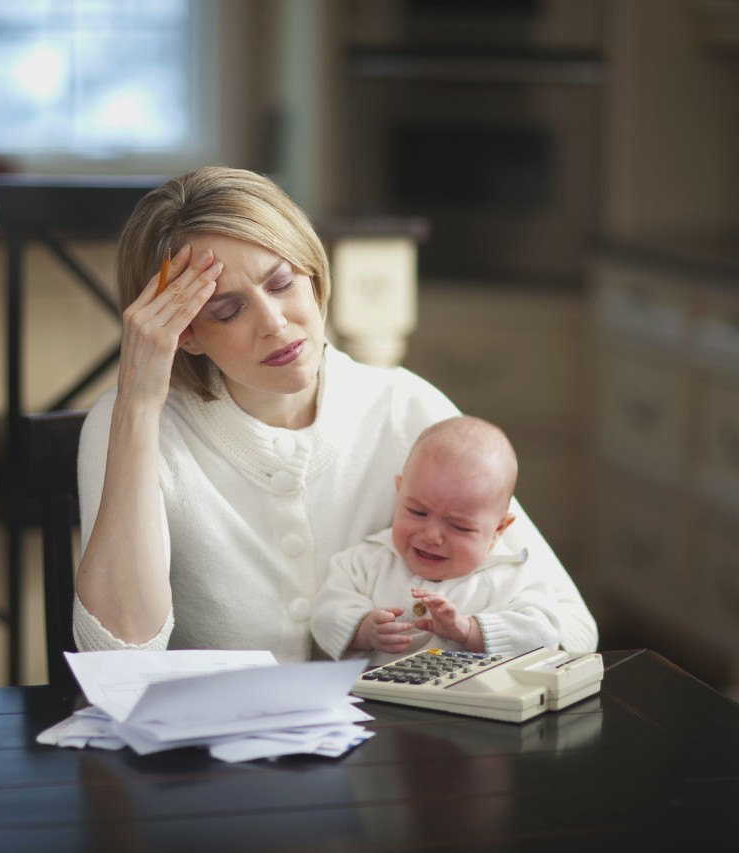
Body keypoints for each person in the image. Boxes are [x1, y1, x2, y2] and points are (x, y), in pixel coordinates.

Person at [74, 165, 596, 662]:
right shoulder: (133, 424)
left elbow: (573, 630)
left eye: (282, 283)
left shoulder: (404, 408)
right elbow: (119, 655)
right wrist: (137, 407)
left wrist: (470, 636)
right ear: (185, 333)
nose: (275, 323)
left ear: (312, 271)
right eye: (228, 310)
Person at [311, 416, 558, 665]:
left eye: (459, 527)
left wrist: (470, 630)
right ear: (399, 492)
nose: (431, 536)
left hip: (469, 689)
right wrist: (364, 629)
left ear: (499, 529)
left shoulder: (510, 576)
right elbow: (326, 613)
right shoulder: (367, 561)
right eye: (418, 512)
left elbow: (543, 635)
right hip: (370, 688)